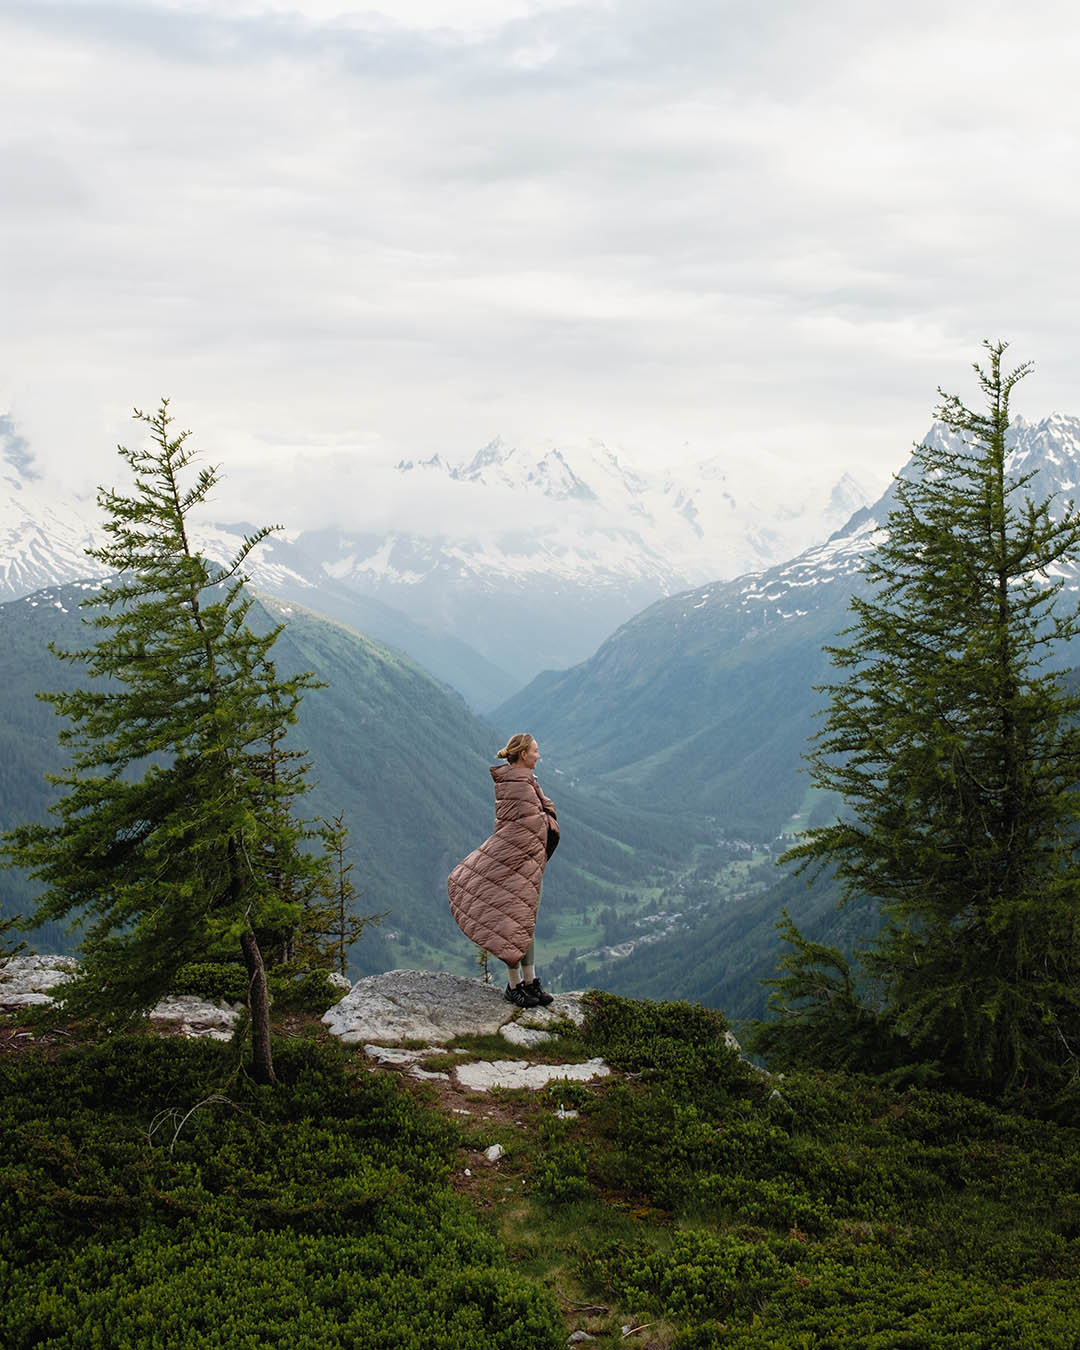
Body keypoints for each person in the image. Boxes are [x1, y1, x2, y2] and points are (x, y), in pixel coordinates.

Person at [447, 732, 560, 1008]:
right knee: (512, 921)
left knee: (524, 920)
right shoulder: (519, 785)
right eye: (535, 750)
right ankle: (514, 986)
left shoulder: (523, 781)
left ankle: (530, 982)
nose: (538, 755)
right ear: (523, 754)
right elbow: (522, 827)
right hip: (515, 863)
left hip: (528, 862)